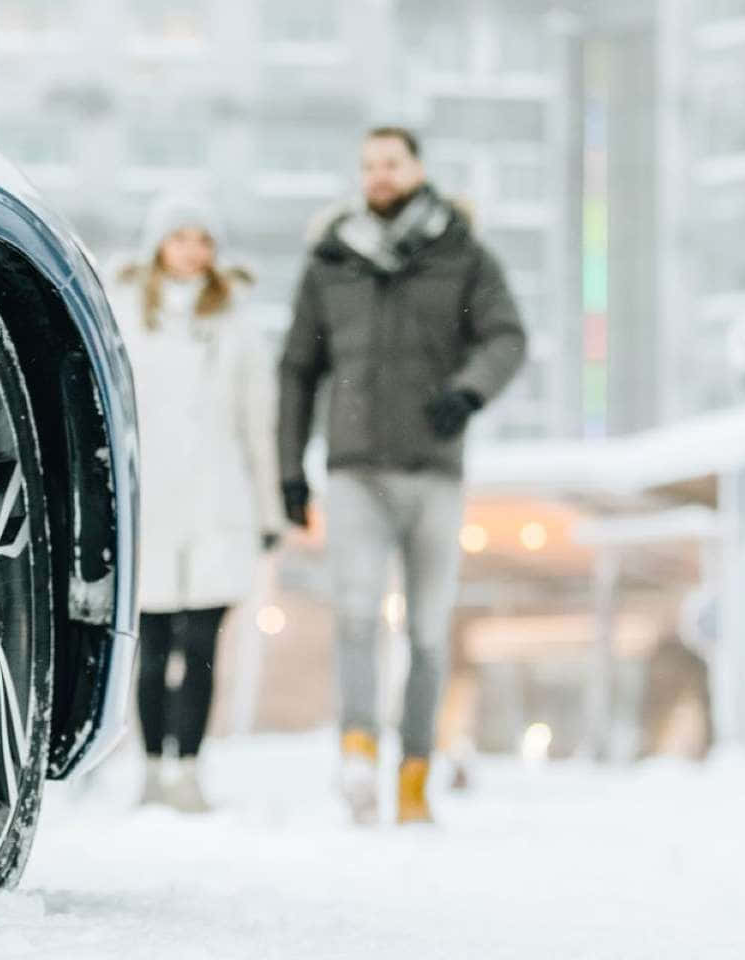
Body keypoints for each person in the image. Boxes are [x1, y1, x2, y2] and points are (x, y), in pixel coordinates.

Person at [277, 127, 526, 824]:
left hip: (434, 472)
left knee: (425, 629)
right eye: (367, 165)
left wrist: (469, 392)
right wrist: (289, 467)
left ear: (417, 167)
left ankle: (415, 776)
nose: (378, 175)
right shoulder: (331, 261)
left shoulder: (462, 255)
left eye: (391, 162)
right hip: (354, 468)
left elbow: (506, 336)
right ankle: (358, 755)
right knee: (356, 615)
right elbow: (297, 369)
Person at [110, 194, 283, 813]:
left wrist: (269, 510)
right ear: (158, 244)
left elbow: (257, 424)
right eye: (180, 237)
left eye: (203, 239)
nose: (192, 250)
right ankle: (153, 767)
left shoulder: (238, 326)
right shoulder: (125, 317)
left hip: (220, 503)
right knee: (152, 644)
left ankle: (190, 767)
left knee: (203, 643)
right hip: (153, 504)